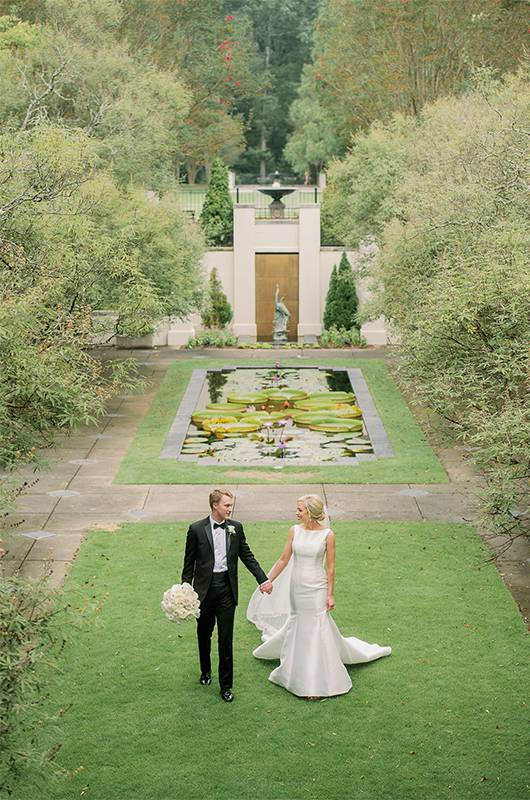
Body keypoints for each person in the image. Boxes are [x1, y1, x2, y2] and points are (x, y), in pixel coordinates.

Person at [248, 494, 391, 699]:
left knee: (316, 627)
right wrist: (267, 580)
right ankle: (292, 672)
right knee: (299, 624)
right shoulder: (294, 531)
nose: (296, 513)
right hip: (296, 587)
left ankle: (315, 682)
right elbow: (283, 559)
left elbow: (330, 566)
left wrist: (330, 594)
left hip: (317, 587)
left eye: (300, 510)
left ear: (311, 513)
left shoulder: (328, 535)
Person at [181, 489, 272, 703]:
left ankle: (226, 686)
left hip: (227, 592)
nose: (230, 509)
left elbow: (247, 556)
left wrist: (263, 579)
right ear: (214, 505)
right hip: (203, 593)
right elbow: (189, 564)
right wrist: (185, 590)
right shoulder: (196, 529)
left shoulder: (235, 528)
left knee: (225, 640)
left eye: (231, 505)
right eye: (226, 505)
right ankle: (205, 671)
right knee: (204, 635)